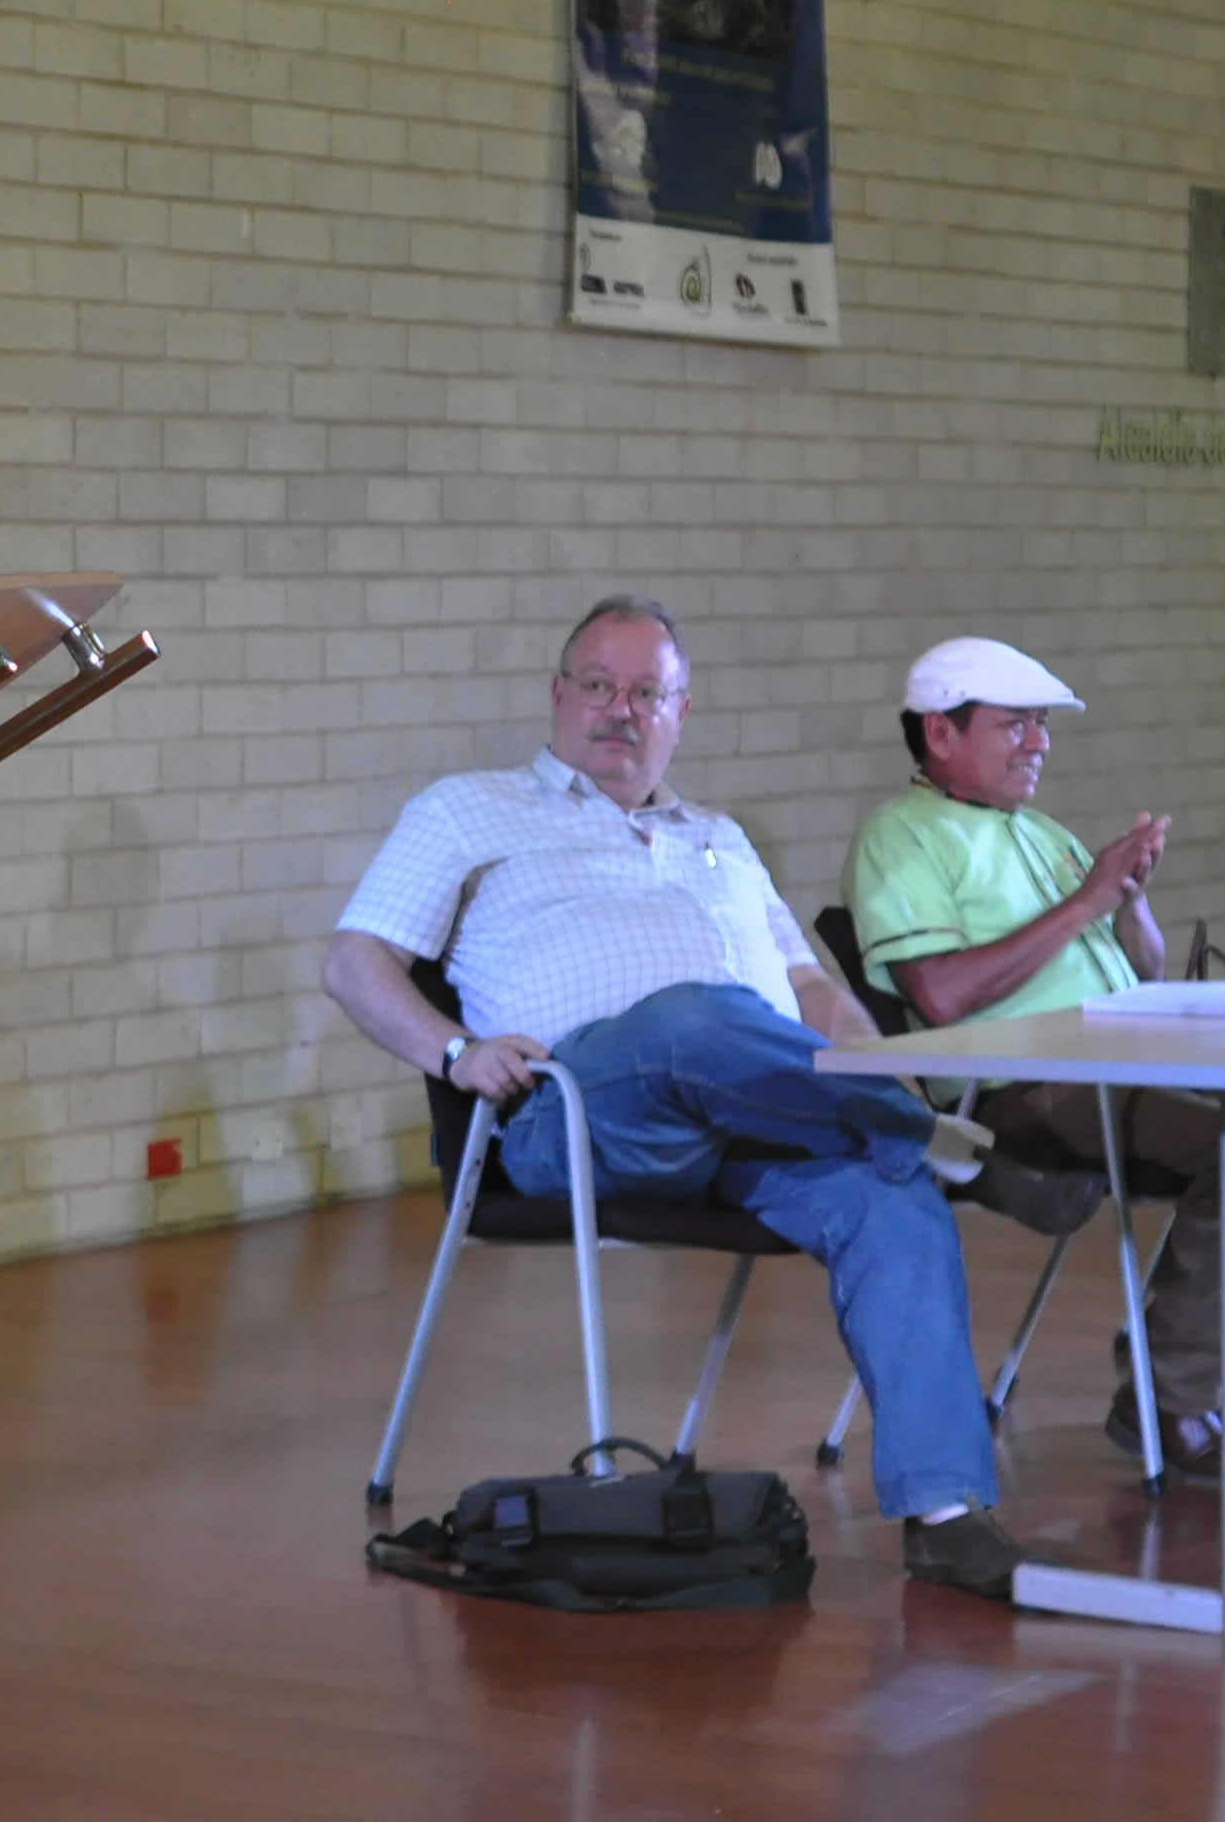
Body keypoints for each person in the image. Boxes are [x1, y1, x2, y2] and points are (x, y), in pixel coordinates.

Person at [324, 597, 1037, 1599]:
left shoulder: (721, 837)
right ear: (558, 695)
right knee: (691, 1016)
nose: (622, 710)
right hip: (578, 1111)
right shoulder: (466, 809)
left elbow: (817, 994)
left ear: (682, 711)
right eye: (601, 686)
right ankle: (953, 1147)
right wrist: (452, 1051)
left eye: (647, 692)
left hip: (748, 1122)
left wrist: (881, 1073)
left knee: (890, 1198)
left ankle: (946, 1511)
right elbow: (354, 963)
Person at [844, 638, 1225, 1482]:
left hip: (1134, 1059)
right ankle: (1175, 1397)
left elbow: (1141, 970)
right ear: (941, 734)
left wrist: (1128, 900)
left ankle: (1172, 1357)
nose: (1038, 743)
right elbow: (941, 998)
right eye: (1015, 726)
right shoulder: (901, 837)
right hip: (1023, 1090)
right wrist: (1088, 901)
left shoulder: (1042, 832)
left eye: (1041, 726)